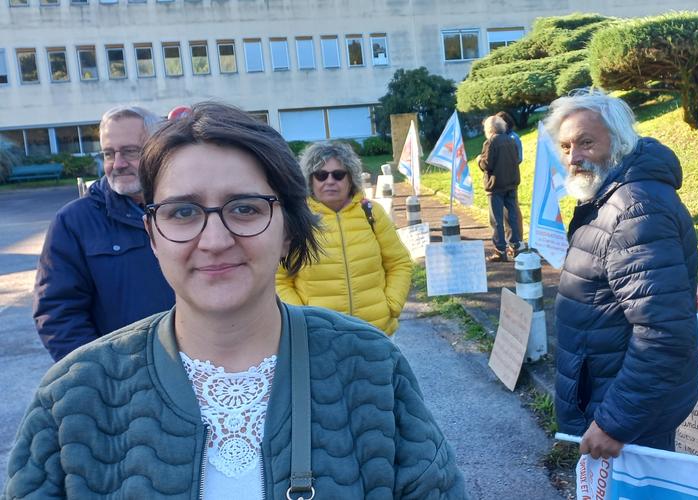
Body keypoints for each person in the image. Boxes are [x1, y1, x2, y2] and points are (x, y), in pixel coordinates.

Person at [4, 103, 465, 499]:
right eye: (183, 212)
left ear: (288, 228)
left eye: (245, 208)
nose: (215, 240)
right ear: (153, 235)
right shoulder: (73, 397)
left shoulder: (371, 369)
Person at [548, 89, 698, 459]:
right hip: (611, 397)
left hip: (627, 415)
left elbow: (662, 333)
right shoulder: (607, 199)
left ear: (618, 142)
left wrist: (614, 422)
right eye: (566, 147)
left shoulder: (635, 209)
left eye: (586, 143)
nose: (575, 158)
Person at [32, 105, 174, 361]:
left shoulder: (184, 209)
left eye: (130, 152)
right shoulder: (73, 222)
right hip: (123, 377)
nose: (118, 164)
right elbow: (58, 314)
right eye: (109, 154)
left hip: (198, 370)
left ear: (158, 150)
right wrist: (100, 374)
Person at [276, 141, 412, 336]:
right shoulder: (298, 220)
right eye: (321, 175)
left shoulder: (371, 213)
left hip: (375, 332)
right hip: (321, 338)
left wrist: (391, 304)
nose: (330, 181)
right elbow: (279, 279)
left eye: (338, 174)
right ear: (310, 180)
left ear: (351, 179)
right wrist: (304, 319)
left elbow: (399, 263)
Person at [477, 115, 523, 262]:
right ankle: (515, 247)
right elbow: (517, 160)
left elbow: (487, 164)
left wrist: (479, 160)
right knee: (512, 217)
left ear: (489, 129)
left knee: (496, 219)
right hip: (511, 183)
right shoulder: (511, 140)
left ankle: (500, 250)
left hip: (496, 185)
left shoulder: (490, 143)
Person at [495, 111, 526, 258]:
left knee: (512, 212)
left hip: (508, 179)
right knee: (509, 212)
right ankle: (514, 243)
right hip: (510, 177)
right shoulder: (510, 137)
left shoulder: (512, 138)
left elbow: (519, 158)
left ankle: (516, 242)